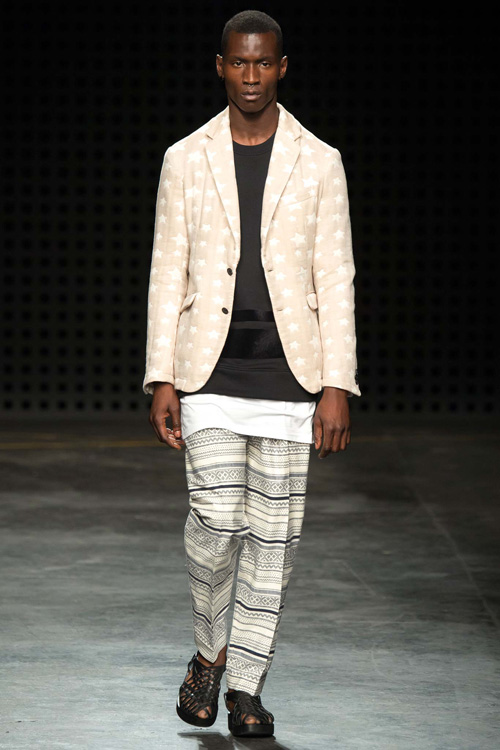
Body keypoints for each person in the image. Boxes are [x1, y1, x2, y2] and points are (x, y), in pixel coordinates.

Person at [143, 9, 361, 739]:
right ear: (220, 66)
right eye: (239, 62)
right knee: (214, 527)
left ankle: (245, 689)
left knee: (274, 543)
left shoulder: (320, 160)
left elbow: (336, 277)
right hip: (207, 371)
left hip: (291, 378)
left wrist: (337, 384)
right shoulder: (185, 158)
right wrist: (162, 376)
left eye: (263, 63)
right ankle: (210, 653)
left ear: (282, 68)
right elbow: (166, 271)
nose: (251, 76)